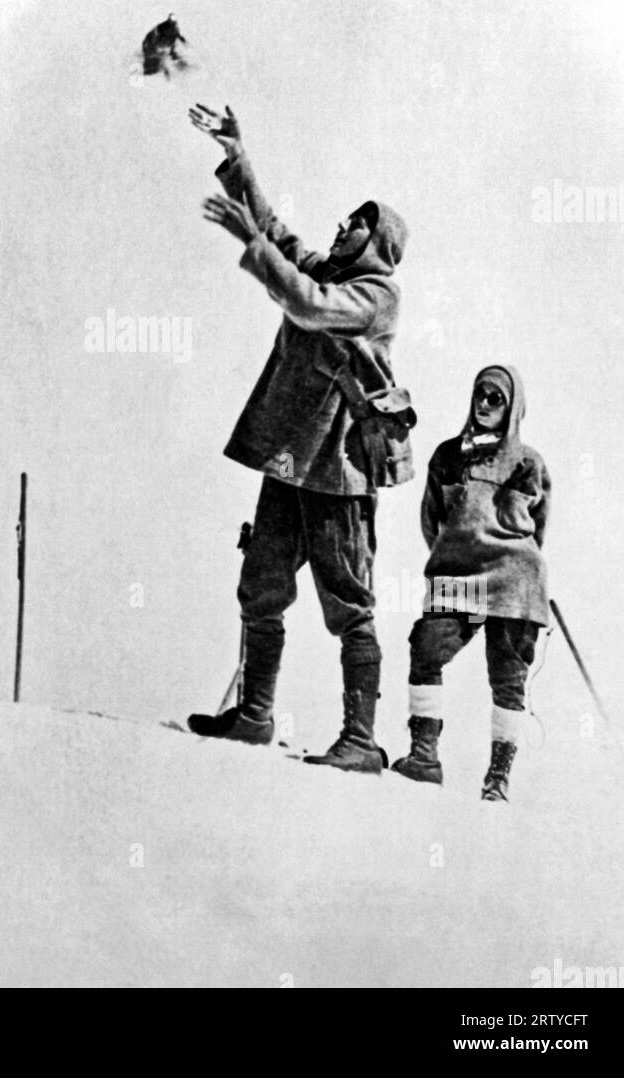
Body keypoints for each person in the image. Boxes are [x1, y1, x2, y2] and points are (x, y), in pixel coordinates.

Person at [186, 104, 415, 772]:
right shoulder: (334, 272)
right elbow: (282, 238)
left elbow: (308, 305)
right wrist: (238, 157)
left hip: (339, 470)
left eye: (356, 224)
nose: (342, 227)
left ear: (377, 243)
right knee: (261, 584)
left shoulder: (376, 295)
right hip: (293, 459)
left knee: (348, 600)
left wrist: (249, 246)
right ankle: (255, 716)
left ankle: (361, 741)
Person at [391, 365, 550, 801]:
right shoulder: (447, 456)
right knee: (426, 649)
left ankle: (497, 781)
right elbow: (431, 521)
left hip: (515, 581)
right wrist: (455, 556)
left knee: (507, 679)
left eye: (495, 398)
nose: (483, 403)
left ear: (512, 406)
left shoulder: (528, 462)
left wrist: (519, 568)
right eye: (480, 394)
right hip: (461, 576)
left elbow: (537, 528)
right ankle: (423, 758)